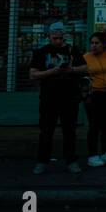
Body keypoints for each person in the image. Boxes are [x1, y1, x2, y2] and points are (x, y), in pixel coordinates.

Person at [30, 22, 85, 174]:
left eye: (61, 38)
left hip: (69, 97)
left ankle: (71, 161)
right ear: (49, 37)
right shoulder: (41, 52)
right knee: (46, 131)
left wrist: (72, 69)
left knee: (70, 131)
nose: (58, 41)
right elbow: (33, 74)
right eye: (55, 38)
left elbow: (85, 68)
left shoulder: (72, 50)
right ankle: (42, 162)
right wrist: (51, 72)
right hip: (49, 98)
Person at [79, 31, 106, 168]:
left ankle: (105, 152)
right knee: (94, 125)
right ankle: (92, 155)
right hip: (94, 95)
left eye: (97, 43)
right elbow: (81, 76)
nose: (93, 46)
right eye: (92, 43)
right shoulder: (86, 57)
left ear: (104, 44)